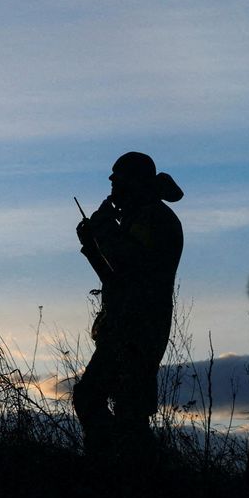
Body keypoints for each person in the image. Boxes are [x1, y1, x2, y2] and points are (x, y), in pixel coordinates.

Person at [73, 152, 184, 456]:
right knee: (117, 407)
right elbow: (115, 278)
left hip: (139, 327)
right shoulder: (141, 216)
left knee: (121, 409)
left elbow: (127, 263)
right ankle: (119, 467)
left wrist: (104, 228)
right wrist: (91, 245)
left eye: (118, 175)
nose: (111, 181)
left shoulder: (153, 217)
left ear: (135, 181)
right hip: (127, 324)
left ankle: (122, 470)